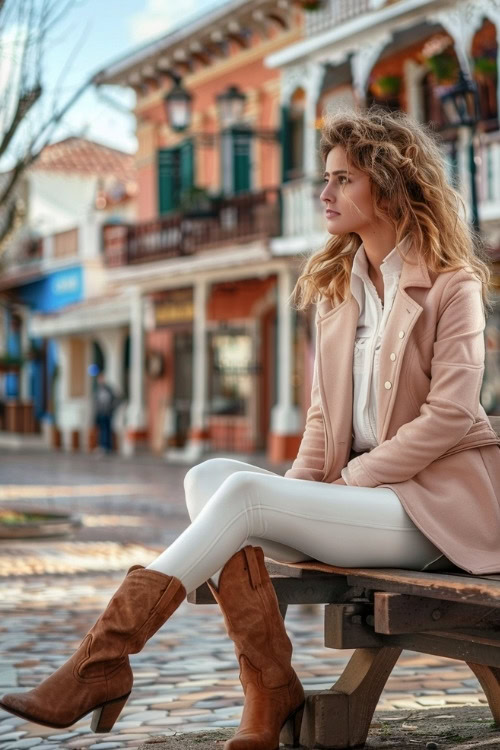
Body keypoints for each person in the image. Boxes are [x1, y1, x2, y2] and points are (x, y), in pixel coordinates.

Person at [1, 106, 500, 750]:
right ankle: (266, 684)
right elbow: (323, 417)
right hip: (358, 502)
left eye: (343, 178)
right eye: (326, 178)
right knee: (210, 477)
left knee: (240, 497)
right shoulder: (337, 291)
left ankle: (103, 663)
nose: (324, 193)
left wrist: (346, 482)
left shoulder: (450, 286)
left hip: (431, 513)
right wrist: (296, 498)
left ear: (391, 182)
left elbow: (453, 415)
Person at [93, 372, 120, 454]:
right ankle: (103, 446)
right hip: (101, 413)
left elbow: (115, 399)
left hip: (107, 413)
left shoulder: (108, 389)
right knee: (102, 431)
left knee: (107, 430)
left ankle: (107, 447)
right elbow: (96, 403)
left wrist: (111, 409)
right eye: (99, 379)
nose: (100, 380)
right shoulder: (98, 390)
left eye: (101, 378)